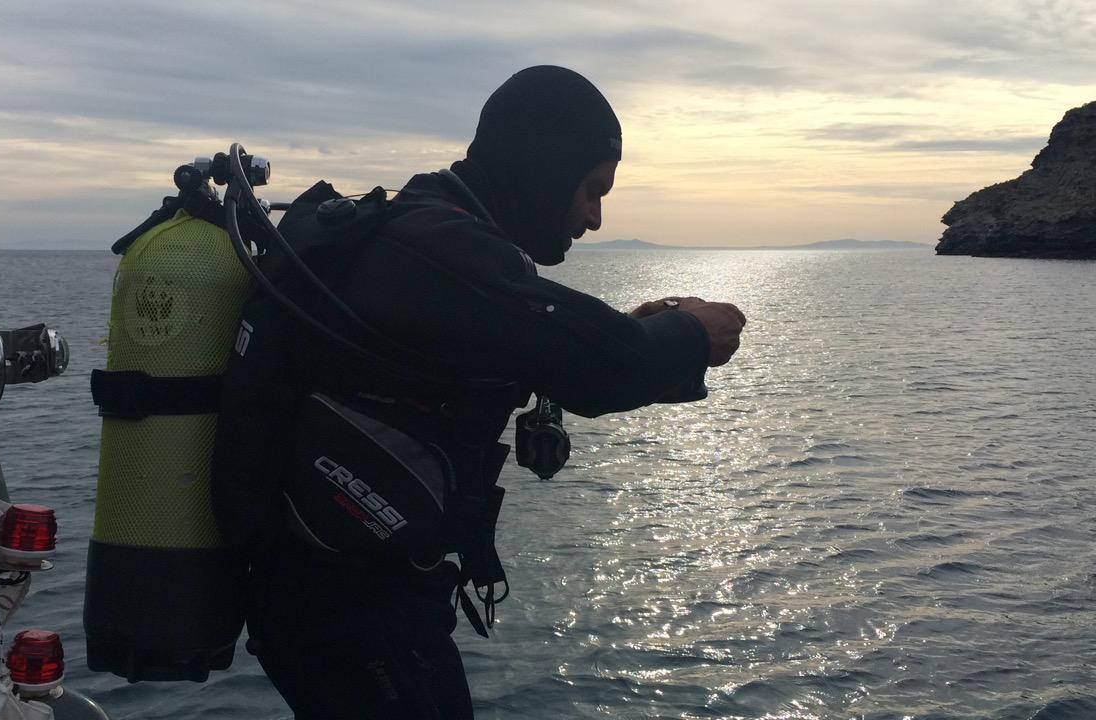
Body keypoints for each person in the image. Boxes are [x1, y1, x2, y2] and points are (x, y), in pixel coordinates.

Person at [241, 65, 746, 719]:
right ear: (544, 168)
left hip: (328, 598)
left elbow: (532, 337)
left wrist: (635, 330)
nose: (595, 218)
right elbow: (604, 370)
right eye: (592, 190)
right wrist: (693, 333)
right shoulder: (446, 252)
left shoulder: (425, 234)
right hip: (354, 611)